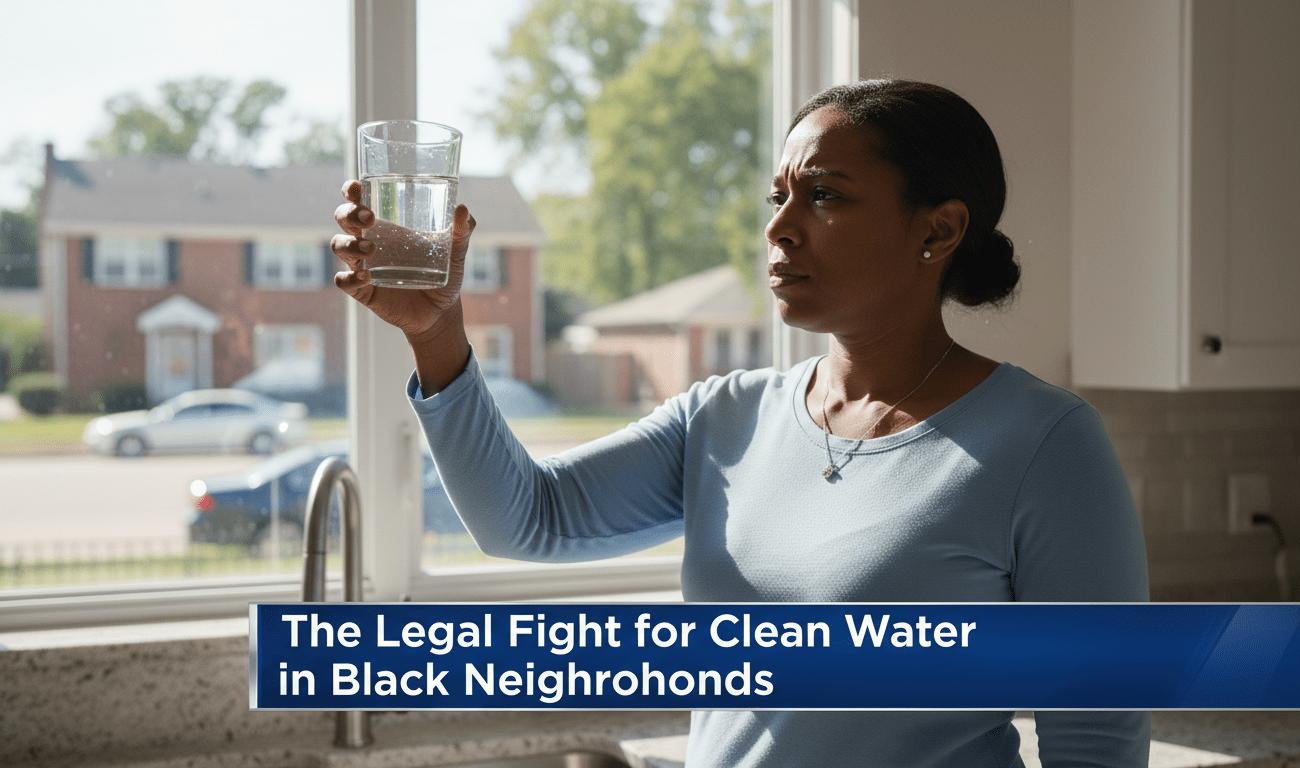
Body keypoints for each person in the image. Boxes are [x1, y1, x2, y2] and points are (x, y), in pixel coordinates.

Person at [331, 79, 1150, 767]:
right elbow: (527, 520)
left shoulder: (1045, 445)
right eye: (780, 194)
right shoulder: (726, 417)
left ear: (937, 229)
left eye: (824, 195)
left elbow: (1097, 745)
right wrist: (434, 332)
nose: (779, 226)